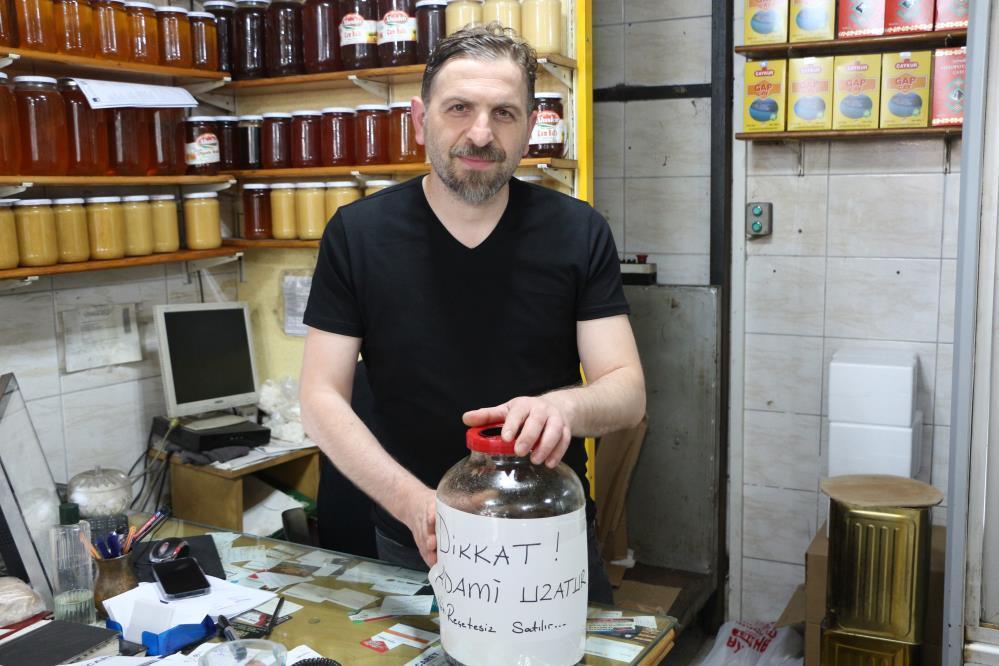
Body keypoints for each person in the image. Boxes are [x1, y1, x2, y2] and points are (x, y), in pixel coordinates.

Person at [299, 23, 645, 604]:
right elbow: (320, 396)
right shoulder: (358, 235)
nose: (480, 134)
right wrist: (415, 503)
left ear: (529, 127)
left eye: (503, 113)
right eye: (459, 108)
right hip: (415, 539)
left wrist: (562, 408)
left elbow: (627, 391)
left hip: (546, 534)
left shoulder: (578, 231)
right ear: (420, 119)